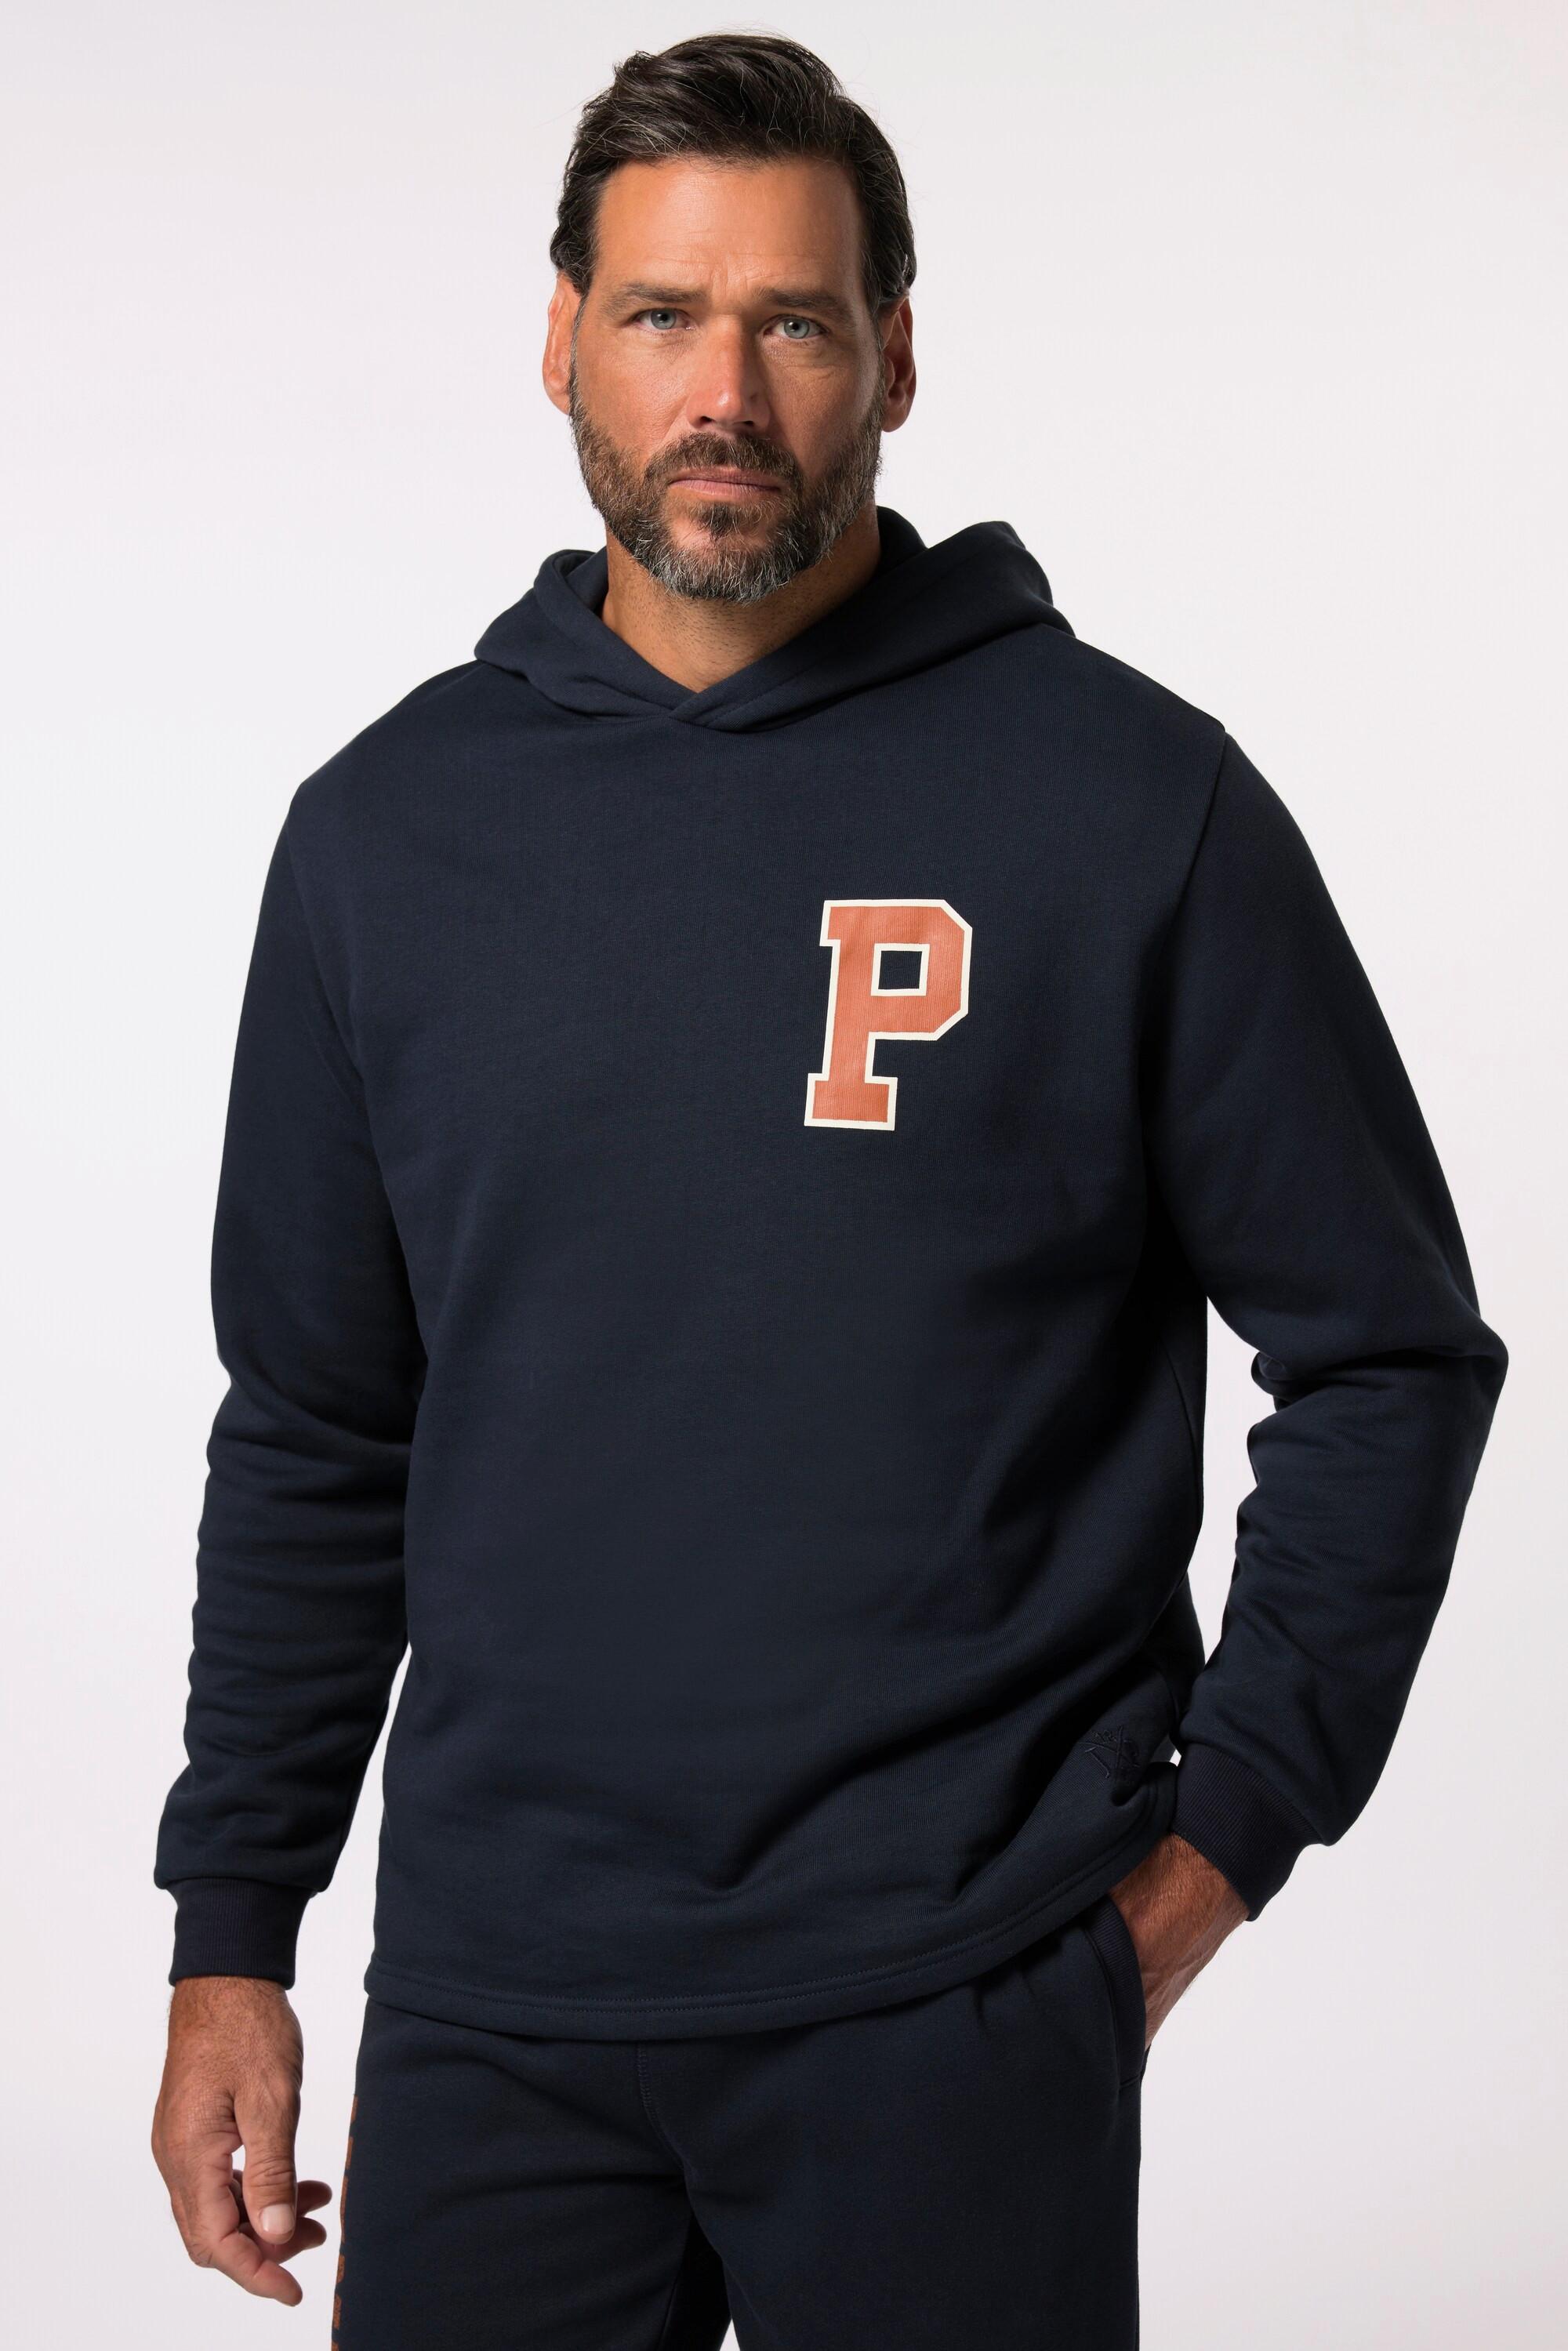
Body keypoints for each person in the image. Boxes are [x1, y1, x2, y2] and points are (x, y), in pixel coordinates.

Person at [150, 31, 1506, 2349]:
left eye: (794, 319)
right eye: (664, 314)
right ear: (561, 337)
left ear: (895, 351)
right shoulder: (385, 837)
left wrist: (1206, 1863)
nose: (726, 392)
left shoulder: (1127, 802)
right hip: (496, 2003)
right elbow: (315, 1427)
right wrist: (232, 1934)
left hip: (957, 1995)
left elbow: (1388, 1354)